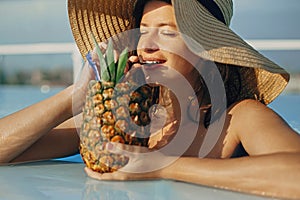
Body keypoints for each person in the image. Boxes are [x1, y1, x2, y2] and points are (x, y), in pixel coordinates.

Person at [0, 0, 299, 199]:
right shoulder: (120, 115)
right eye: (143, 31)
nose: (147, 45)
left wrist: (161, 166)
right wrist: (76, 96)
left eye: (167, 32)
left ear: (208, 51)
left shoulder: (238, 118)